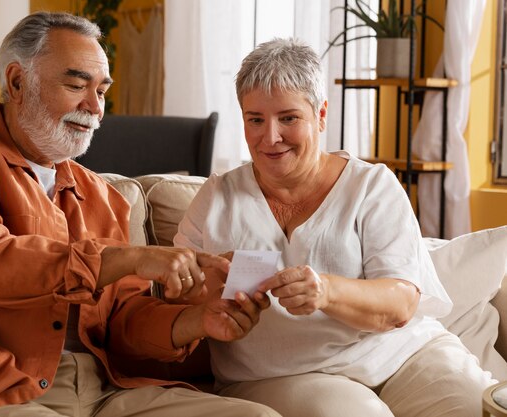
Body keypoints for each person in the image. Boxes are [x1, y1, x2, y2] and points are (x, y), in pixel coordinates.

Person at [0, 12, 281, 417]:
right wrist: (129, 258)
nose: (95, 108)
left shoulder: (100, 195)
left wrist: (199, 320)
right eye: (76, 85)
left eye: (102, 91)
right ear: (18, 82)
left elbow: (123, 325)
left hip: (102, 390)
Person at [174, 37, 496, 417]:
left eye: (288, 118)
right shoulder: (217, 198)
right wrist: (211, 294)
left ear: (321, 114)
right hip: (283, 374)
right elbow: (174, 299)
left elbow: (401, 304)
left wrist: (325, 291)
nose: (270, 137)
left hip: (404, 353)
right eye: (255, 119)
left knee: (473, 404)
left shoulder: (371, 186)